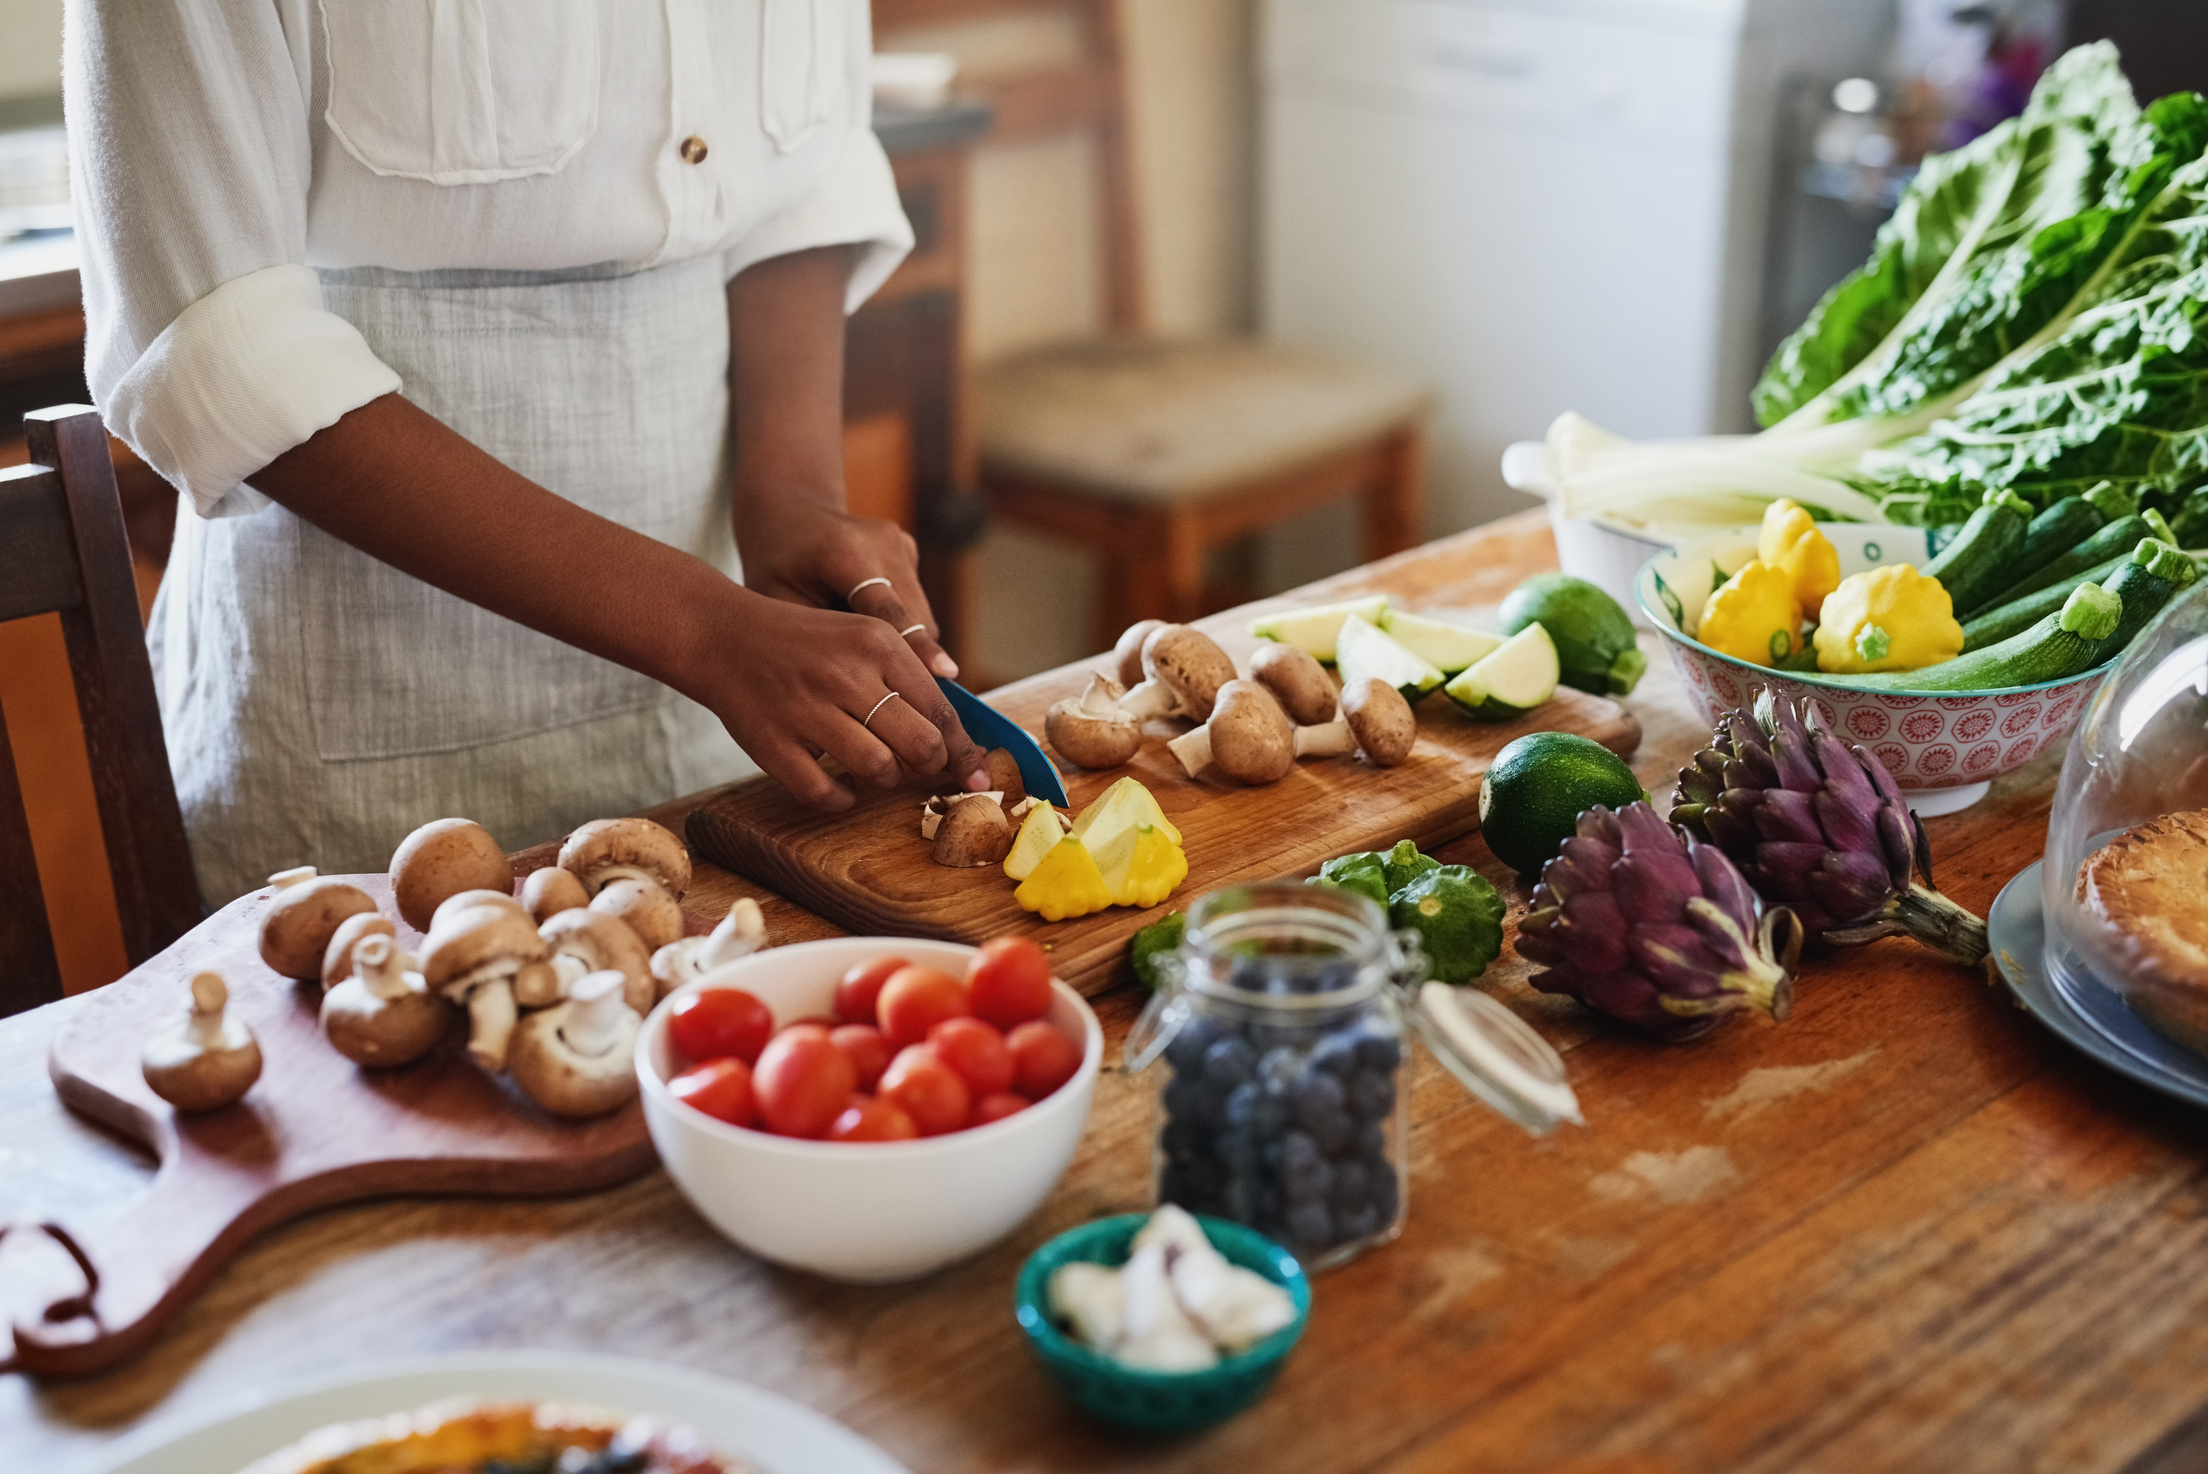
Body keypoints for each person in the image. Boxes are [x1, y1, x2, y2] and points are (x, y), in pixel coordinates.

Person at [67, 0, 991, 906]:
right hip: (364, 739)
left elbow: (805, 176)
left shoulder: (739, 648)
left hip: (729, 713)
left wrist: (792, 500)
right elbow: (218, 342)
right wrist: (703, 628)